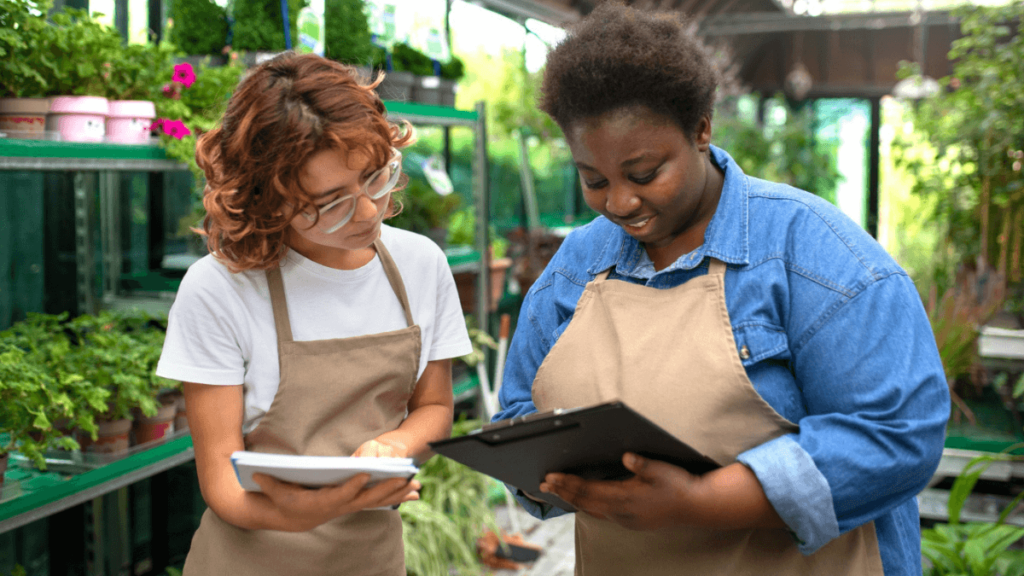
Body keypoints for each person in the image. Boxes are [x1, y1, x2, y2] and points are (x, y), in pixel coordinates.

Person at [494, 4, 950, 576]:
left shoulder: (813, 256)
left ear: (701, 130)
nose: (619, 203)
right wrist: (553, 471)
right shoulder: (577, 266)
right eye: (594, 179)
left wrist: (701, 503)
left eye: (643, 174)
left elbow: (896, 436)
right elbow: (519, 411)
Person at [155, 52, 472, 576]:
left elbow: (435, 407)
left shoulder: (420, 264)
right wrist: (305, 513)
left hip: (372, 560)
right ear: (268, 197)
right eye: (330, 203)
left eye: (375, 177)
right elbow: (222, 484)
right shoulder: (219, 288)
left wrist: (395, 444)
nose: (368, 211)